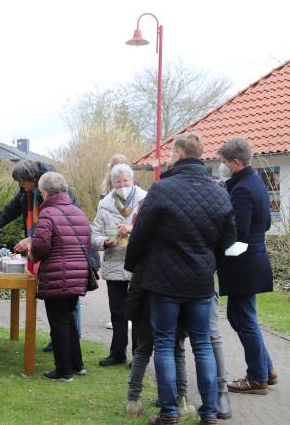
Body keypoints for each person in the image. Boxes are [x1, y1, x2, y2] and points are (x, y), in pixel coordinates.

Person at [125, 132, 236, 425]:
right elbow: (229, 242)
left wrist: (132, 265)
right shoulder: (219, 192)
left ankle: (169, 413)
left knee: (163, 343)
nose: (170, 158)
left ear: (181, 154)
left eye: (172, 153)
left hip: (163, 281)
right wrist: (209, 264)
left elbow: (139, 236)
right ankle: (209, 413)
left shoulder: (162, 190)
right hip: (200, 281)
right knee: (201, 344)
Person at [0, 159, 86, 352]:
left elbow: (68, 223)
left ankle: (70, 344)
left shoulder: (56, 191)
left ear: (34, 180)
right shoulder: (27, 192)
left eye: (22, 182)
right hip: (49, 252)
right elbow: (9, 211)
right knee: (58, 302)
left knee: (68, 301)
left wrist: (32, 241)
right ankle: (60, 341)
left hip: (66, 254)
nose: (20, 186)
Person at [217, 138, 278, 395]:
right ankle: (267, 370)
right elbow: (264, 224)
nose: (220, 167)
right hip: (253, 258)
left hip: (243, 263)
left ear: (235, 162)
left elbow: (236, 231)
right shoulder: (255, 183)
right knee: (245, 316)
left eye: (222, 162)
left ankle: (256, 377)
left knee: (242, 318)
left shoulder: (241, 189)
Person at [28, 172, 90, 382]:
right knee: (69, 319)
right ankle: (77, 364)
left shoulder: (48, 213)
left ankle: (64, 371)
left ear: (44, 192)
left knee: (59, 322)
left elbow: (41, 245)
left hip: (57, 274)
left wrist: (32, 254)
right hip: (78, 273)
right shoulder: (78, 212)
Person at [91, 163, 146, 366]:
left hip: (139, 264)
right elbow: (94, 235)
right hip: (114, 262)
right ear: (112, 183)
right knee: (117, 311)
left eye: (125, 181)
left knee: (138, 312)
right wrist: (104, 242)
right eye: (118, 182)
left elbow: (152, 229)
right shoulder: (104, 204)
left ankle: (139, 355)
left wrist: (132, 228)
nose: (122, 185)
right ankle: (117, 352)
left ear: (132, 181)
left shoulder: (145, 200)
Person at [125, 264, 195, 419]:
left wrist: (132, 313)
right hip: (176, 312)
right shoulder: (182, 250)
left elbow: (135, 287)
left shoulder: (148, 250)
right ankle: (181, 401)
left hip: (146, 311)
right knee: (177, 353)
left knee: (142, 353)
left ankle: (132, 402)